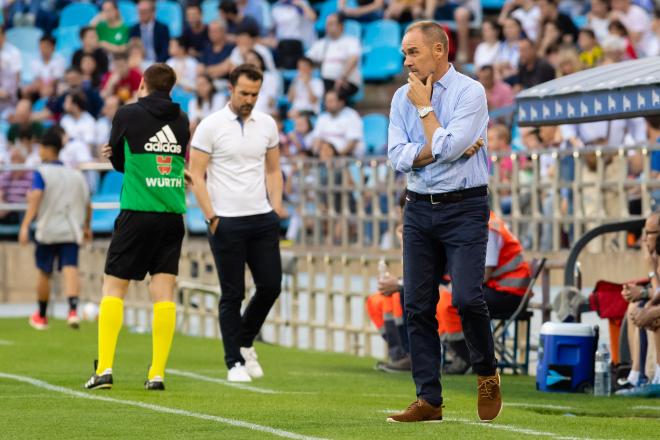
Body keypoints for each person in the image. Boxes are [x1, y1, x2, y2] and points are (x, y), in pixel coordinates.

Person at [386, 21, 499, 423]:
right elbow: (397, 155)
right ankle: (429, 400)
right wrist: (440, 148)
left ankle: (486, 372)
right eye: (404, 52)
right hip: (417, 206)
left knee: (468, 298)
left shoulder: (471, 91)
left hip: (465, 207)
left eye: (412, 52)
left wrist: (426, 112)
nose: (406, 60)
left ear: (439, 50)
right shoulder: (400, 96)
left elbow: (448, 146)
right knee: (417, 306)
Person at [84, 63, 190, 391]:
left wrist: (113, 154)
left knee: (114, 288)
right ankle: (157, 373)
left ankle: (104, 369)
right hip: (172, 213)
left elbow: (117, 160)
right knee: (164, 294)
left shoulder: (127, 114)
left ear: (142, 83)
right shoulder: (182, 120)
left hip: (136, 210)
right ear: (171, 88)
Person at [189, 64, 285, 383]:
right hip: (225, 220)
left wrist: (276, 208)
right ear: (230, 89)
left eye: (255, 94)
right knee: (233, 294)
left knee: (271, 285)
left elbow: (273, 170)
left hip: (261, 218)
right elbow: (196, 175)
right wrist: (211, 218)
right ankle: (234, 362)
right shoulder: (210, 126)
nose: (249, 99)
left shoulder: (267, 124)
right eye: (244, 93)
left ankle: (244, 341)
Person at [438, 210, 532, 373]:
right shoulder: (478, 223)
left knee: (450, 300)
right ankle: (463, 354)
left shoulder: (487, 228)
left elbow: (484, 274)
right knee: (443, 297)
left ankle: (466, 356)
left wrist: (454, 287)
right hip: (498, 289)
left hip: (508, 295)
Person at [19, 128, 91, 331]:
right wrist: (87, 226)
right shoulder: (75, 174)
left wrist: (25, 225)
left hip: (48, 229)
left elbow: (36, 197)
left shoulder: (41, 172)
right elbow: (88, 203)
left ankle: (41, 315)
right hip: (70, 228)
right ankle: (73, 311)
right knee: (71, 269)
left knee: (44, 271)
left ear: (46, 149)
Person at [306, 14, 362, 100]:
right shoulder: (321, 44)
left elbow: (353, 59)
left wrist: (342, 77)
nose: (327, 27)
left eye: (331, 24)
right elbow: (306, 61)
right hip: (325, 81)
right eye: (327, 24)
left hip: (346, 81)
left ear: (341, 26)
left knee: (335, 92)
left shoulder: (351, 41)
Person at [311, 90, 364, 157]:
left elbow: (352, 143)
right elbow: (316, 139)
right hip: (326, 156)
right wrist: (316, 155)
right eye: (326, 101)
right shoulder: (322, 118)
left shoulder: (352, 116)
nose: (327, 104)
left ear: (341, 102)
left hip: (347, 156)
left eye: (331, 101)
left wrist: (337, 156)